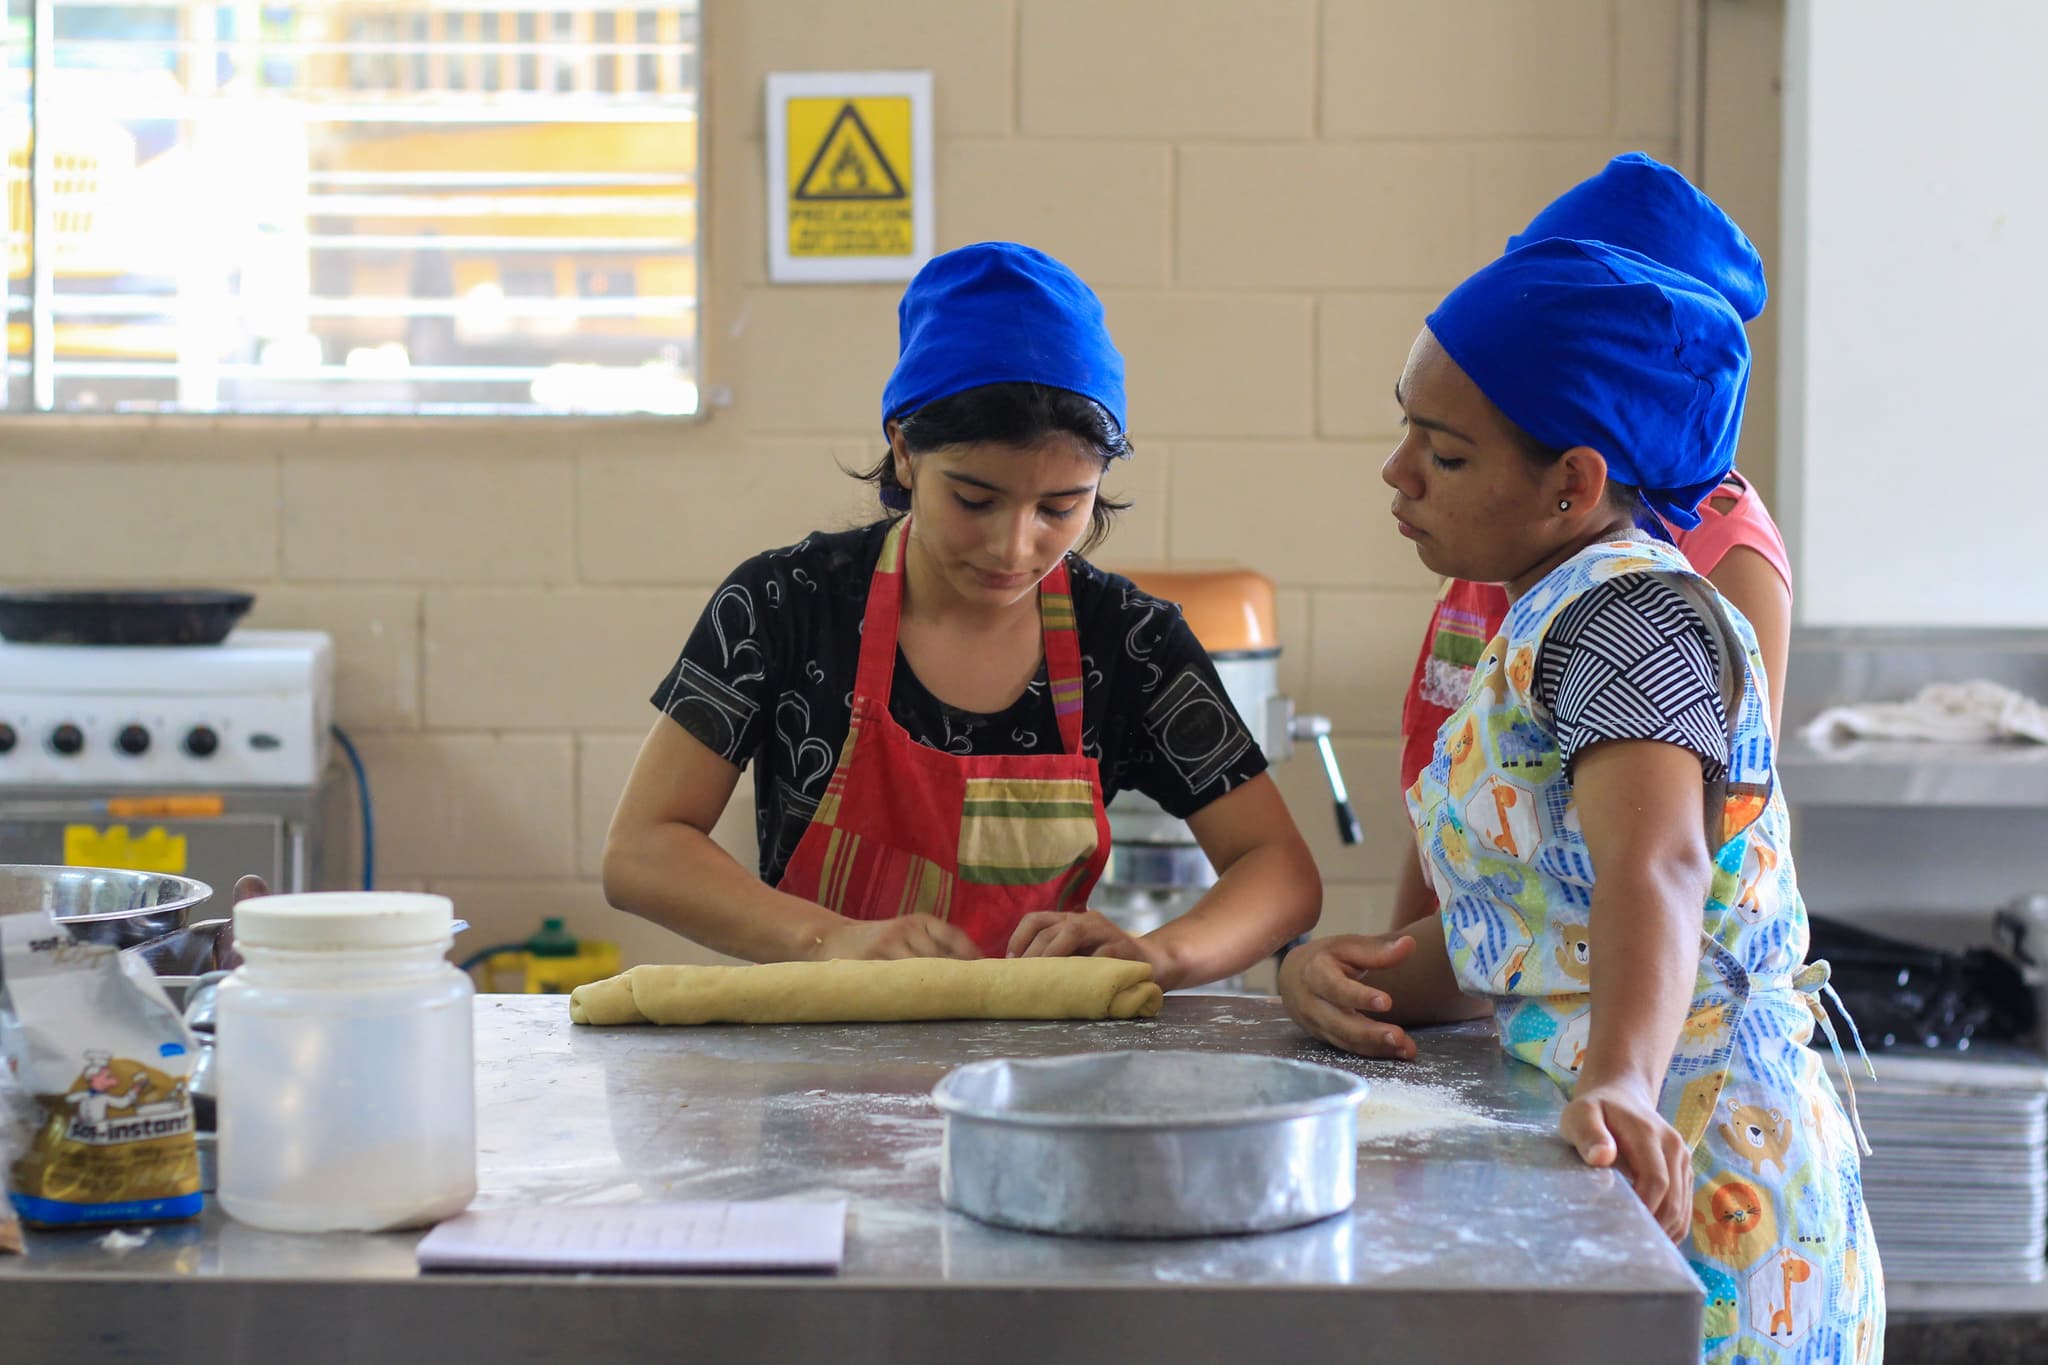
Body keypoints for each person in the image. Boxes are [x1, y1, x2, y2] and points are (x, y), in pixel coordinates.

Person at [1280, 239, 1884, 1362]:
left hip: (1705, 1174)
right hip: (1631, 1149)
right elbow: (1540, 926)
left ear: (1572, 483)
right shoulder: (1544, 618)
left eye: (1444, 454)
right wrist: (1349, 978)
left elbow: (1655, 867)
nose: (1395, 473)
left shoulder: (1627, 623)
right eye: (1406, 428)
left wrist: (1618, 1080)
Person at [601, 242, 1321, 989]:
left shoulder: (1131, 643)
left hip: (1034, 1084)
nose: (1014, 546)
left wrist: (1159, 954)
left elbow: (1279, 869)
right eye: (974, 499)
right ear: (904, 450)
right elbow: (643, 850)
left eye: (1060, 506)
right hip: (818, 1073)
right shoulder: (784, 604)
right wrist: (828, 939)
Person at [1393, 154, 1794, 937]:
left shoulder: (1663, 586)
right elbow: (1464, 777)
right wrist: (1391, 971)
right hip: (1493, 953)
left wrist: (1623, 1064)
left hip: (1617, 1000)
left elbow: (1677, 852)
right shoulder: (1518, 538)